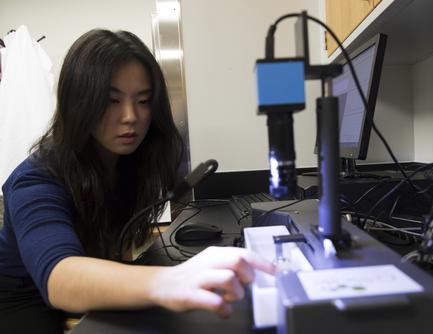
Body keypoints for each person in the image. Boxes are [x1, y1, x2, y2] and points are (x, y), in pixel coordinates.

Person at [0, 29, 274, 333]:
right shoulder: (35, 179)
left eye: (143, 101)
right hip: (20, 296)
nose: (131, 116)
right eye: (111, 101)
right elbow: (59, 277)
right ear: (79, 102)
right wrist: (169, 280)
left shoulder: (129, 163)